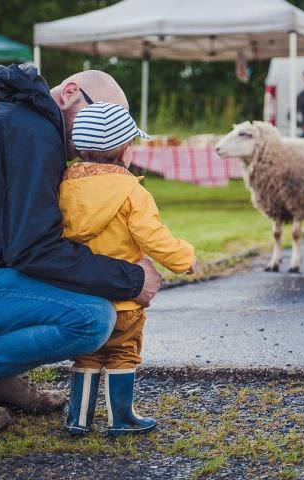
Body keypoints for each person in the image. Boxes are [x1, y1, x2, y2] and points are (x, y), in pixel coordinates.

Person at [0, 65, 161, 433]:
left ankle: (2, 378)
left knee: (63, 289)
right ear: (70, 93)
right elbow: (33, 249)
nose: (103, 135)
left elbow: (13, 243)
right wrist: (131, 278)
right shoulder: (35, 133)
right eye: (99, 116)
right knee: (92, 318)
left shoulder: (15, 116)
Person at [60, 102, 196, 436]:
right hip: (124, 300)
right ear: (126, 150)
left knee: (87, 356)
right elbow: (154, 237)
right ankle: (121, 418)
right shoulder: (133, 192)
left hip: (82, 297)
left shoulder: (63, 187)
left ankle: (78, 419)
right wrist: (184, 258)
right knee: (123, 353)